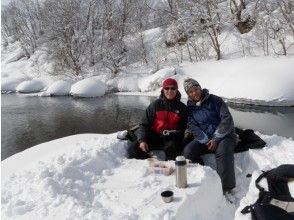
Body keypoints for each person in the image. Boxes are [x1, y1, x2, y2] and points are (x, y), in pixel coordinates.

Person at [183, 78, 236, 192]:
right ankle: (204, 173)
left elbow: (227, 119)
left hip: (224, 135)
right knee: (188, 152)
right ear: (188, 94)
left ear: (200, 88)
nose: (194, 93)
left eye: (196, 89)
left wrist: (216, 138)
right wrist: (205, 139)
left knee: (223, 153)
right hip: (206, 138)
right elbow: (192, 125)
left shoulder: (215, 100)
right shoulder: (190, 107)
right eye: (190, 91)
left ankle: (226, 188)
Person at [127, 78, 188, 161]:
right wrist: (142, 140)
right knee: (133, 148)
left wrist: (174, 135)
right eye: (167, 88)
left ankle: (169, 167)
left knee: (173, 150)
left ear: (177, 90)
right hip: (154, 136)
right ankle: (148, 163)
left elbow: (183, 129)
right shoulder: (155, 105)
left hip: (170, 139)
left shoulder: (182, 108)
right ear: (163, 90)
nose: (170, 91)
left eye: (173, 88)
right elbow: (144, 124)